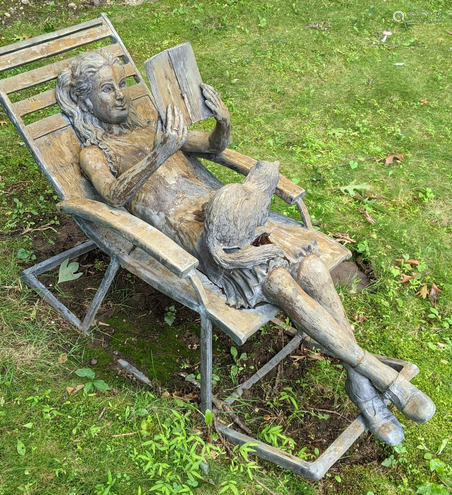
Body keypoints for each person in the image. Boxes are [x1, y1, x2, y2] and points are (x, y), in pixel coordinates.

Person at [56, 49, 435, 446]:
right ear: (84, 101)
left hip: (232, 211)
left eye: (121, 85)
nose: (120, 95)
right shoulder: (95, 153)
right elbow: (114, 197)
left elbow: (212, 147)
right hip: (197, 234)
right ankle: (385, 380)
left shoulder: (153, 129)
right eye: (105, 89)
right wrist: (160, 152)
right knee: (282, 285)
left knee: (314, 270)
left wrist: (222, 121)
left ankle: (362, 385)